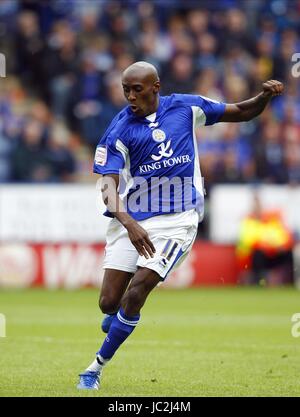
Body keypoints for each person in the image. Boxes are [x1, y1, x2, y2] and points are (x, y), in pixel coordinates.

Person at [77, 61, 283, 389]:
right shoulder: (118, 130)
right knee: (108, 302)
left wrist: (264, 97)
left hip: (178, 219)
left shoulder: (186, 107)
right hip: (134, 218)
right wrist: (128, 222)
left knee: (137, 292)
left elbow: (241, 112)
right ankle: (116, 319)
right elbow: (107, 186)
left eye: (137, 89)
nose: (130, 96)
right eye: (126, 90)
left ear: (156, 87)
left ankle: (94, 368)